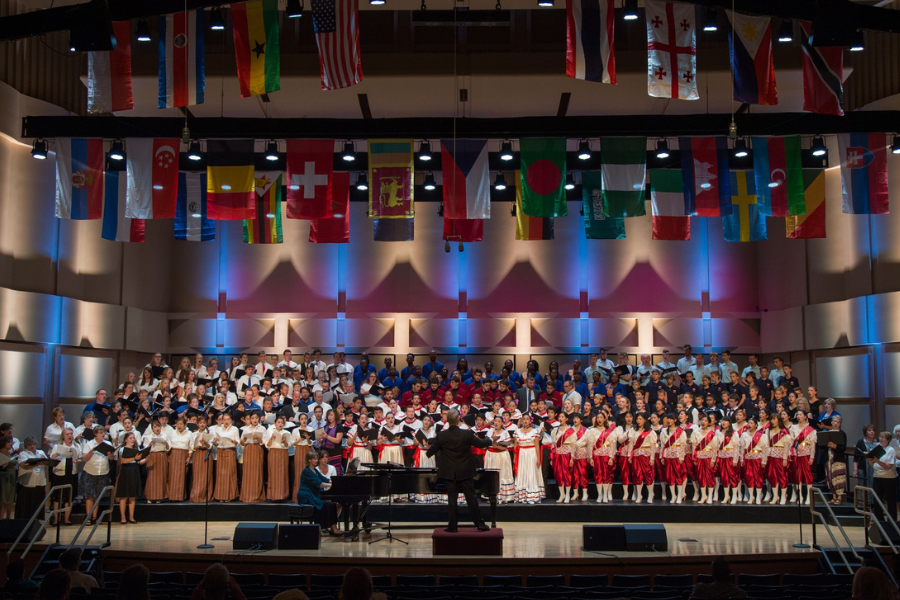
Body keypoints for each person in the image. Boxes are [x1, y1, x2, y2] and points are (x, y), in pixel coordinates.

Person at [425, 408, 495, 531]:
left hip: (449, 472)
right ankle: (479, 524)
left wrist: (429, 446)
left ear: (447, 420)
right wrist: (490, 440)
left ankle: (452, 526)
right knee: (471, 498)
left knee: (452, 499)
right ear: (459, 419)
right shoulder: (467, 434)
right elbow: (481, 444)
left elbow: (430, 452)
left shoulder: (441, 435)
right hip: (465, 471)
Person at [297, 451, 341, 536]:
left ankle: (332, 528)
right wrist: (332, 485)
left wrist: (336, 482)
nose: (316, 460)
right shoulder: (307, 471)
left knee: (331, 504)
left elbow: (324, 479)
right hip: (307, 496)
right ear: (309, 460)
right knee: (328, 505)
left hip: (313, 495)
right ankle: (332, 528)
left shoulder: (314, 470)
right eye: (314, 459)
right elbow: (319, 484)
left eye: (317, 459)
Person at [115, 432, 146, 524]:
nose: (132, 439)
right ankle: (123, 517)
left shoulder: (137, 449)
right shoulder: (122, 450)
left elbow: (139, 462)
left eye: (133, 438)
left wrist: (146, 458)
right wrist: (134, 458)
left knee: (132, 496)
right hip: (126, 471)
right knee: (124, 496)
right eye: (130, 438)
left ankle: (131, 517)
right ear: (126, 440)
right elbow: (123, 461)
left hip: (134, 471)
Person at [868, 431, 897, 523]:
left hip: (889, 479)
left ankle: (891, 522)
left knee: (890, 501)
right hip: (877, 477)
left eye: (883, 437)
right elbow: (872, 465)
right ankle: (879, 522)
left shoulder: (890, 450)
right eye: (880, 437)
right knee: (877, 501)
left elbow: (888, 466)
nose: (880, 439)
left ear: (888, 440)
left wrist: (877, 461)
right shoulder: (877, 448)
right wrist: (870, 459)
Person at [239, 411, 266, 504]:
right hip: (248, 449)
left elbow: (264, 442)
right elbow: (242, 443)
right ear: (250, 419)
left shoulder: (262, 428)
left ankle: (257, 495)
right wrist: (243, 440)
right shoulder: (246, 429)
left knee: (257, 471)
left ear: (258, 418)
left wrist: (258, 438)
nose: (254, 420)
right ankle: (247, 495)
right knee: (248, 472)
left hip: (258, 449)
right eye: (252, 418)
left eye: (256, 418)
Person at [211, 414, 240, 502]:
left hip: (230, 451)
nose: (226, 421)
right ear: (222, 421)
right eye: (225, 420)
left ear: (231, 420)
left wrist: (235, 442)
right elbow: (216, 443)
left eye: (228, 419)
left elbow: (238, 441)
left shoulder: (234, 429)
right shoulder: (218, 429)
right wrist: (215, 441)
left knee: (230, 473)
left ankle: (229, 495)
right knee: (221, 474)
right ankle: (221, 495)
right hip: (221, 451)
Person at [265, 416, 291, 502]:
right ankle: (273, 495)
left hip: (283, 453)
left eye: (281, 423)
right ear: (275, 423)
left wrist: (285, 442)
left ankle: (282, 495)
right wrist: (271, 439)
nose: (280, 424)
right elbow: (267, 445)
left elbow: (289, 446)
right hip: (273, 452)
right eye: (278, 422)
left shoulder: (286, 433)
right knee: (273, 474)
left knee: (282, 474)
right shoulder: (270, 431)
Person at [824, 416, 848, 504]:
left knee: (839, 478)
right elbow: (822, 445)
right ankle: (833, 496)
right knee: (830, 477)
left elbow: (843, 447)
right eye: (834, 421)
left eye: (838, 422)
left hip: (838, 459)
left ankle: (839, 497)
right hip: (829, 458)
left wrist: (835, 446)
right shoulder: (827, 433)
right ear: (831, 422)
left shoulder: (842, 433)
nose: (835, 423)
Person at [855, 424, 879, 490]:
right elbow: (856, 458)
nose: (872, 432)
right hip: (863, 467)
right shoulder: (860, 442)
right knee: (863, 485)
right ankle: (863, 500)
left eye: (873, 430)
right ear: (865, 432)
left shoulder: (878, 442)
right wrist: (855, 470)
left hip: (875, 467)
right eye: (869, 430)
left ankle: (874, 500)